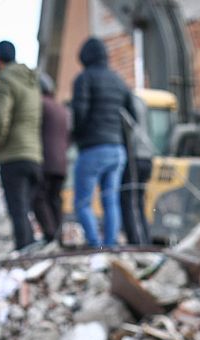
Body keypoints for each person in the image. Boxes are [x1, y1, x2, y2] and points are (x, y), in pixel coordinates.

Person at [71, 37, 134, 248]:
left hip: (93, 148)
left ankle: (95, 245)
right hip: (117, 150)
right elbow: (133, 117)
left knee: (82, 203)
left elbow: (79, 112)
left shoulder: (84, 79)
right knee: (111, 201)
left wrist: (76, 136)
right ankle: (110, 246)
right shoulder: (118, 81)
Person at [0, 39, 43, 251]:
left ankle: (25, 251)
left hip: (14, 154)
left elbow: (1, 118)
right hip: (34, 154)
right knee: (25, 207)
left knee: (17, 208)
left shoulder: (5, 80)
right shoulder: (31, 81)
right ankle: (30, 247)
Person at [33, 73, 69, 244]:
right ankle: (58, 236)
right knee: (55, 199)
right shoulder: (60, 108)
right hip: (61, 162)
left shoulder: (40, 105)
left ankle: (50, 234)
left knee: (39, 197)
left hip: (46, 161)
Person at [120, 92, 153, 245]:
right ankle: (144, 240)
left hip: (135, 155)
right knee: (138, 202)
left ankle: (137, 244)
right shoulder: (141, 102)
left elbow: (128, 128)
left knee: (130, 202)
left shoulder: (125, 102)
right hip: (147, 156)